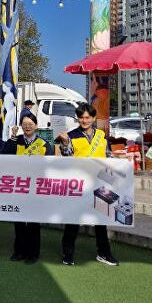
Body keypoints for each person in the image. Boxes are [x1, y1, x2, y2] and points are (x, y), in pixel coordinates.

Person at [57, 102, 119, 267]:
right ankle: (68, 254)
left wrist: (120, 169)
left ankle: (104, 253)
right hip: (79, 184)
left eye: (87, 117)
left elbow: (108, 157)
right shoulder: (71, 135)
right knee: (73, 221)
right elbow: (67, 157)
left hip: (100, 183)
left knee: (101, 221)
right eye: (81, 117)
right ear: (78, 119)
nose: (84, 120)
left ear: (93, 118)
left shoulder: (102, 135)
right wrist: (64, 143)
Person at [2, 111, 53, 264]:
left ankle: (33, 253)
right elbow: (3, 156)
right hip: (19, 187)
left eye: (30, 124)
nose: (27, 126)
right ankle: (19, 251)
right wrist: (11, 138)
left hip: (36, 188)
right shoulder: (15, 141)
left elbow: (50, 165)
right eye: (24, 124)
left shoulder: (44, 145)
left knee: (33, 222)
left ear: (36, 126)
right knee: (18, 221)